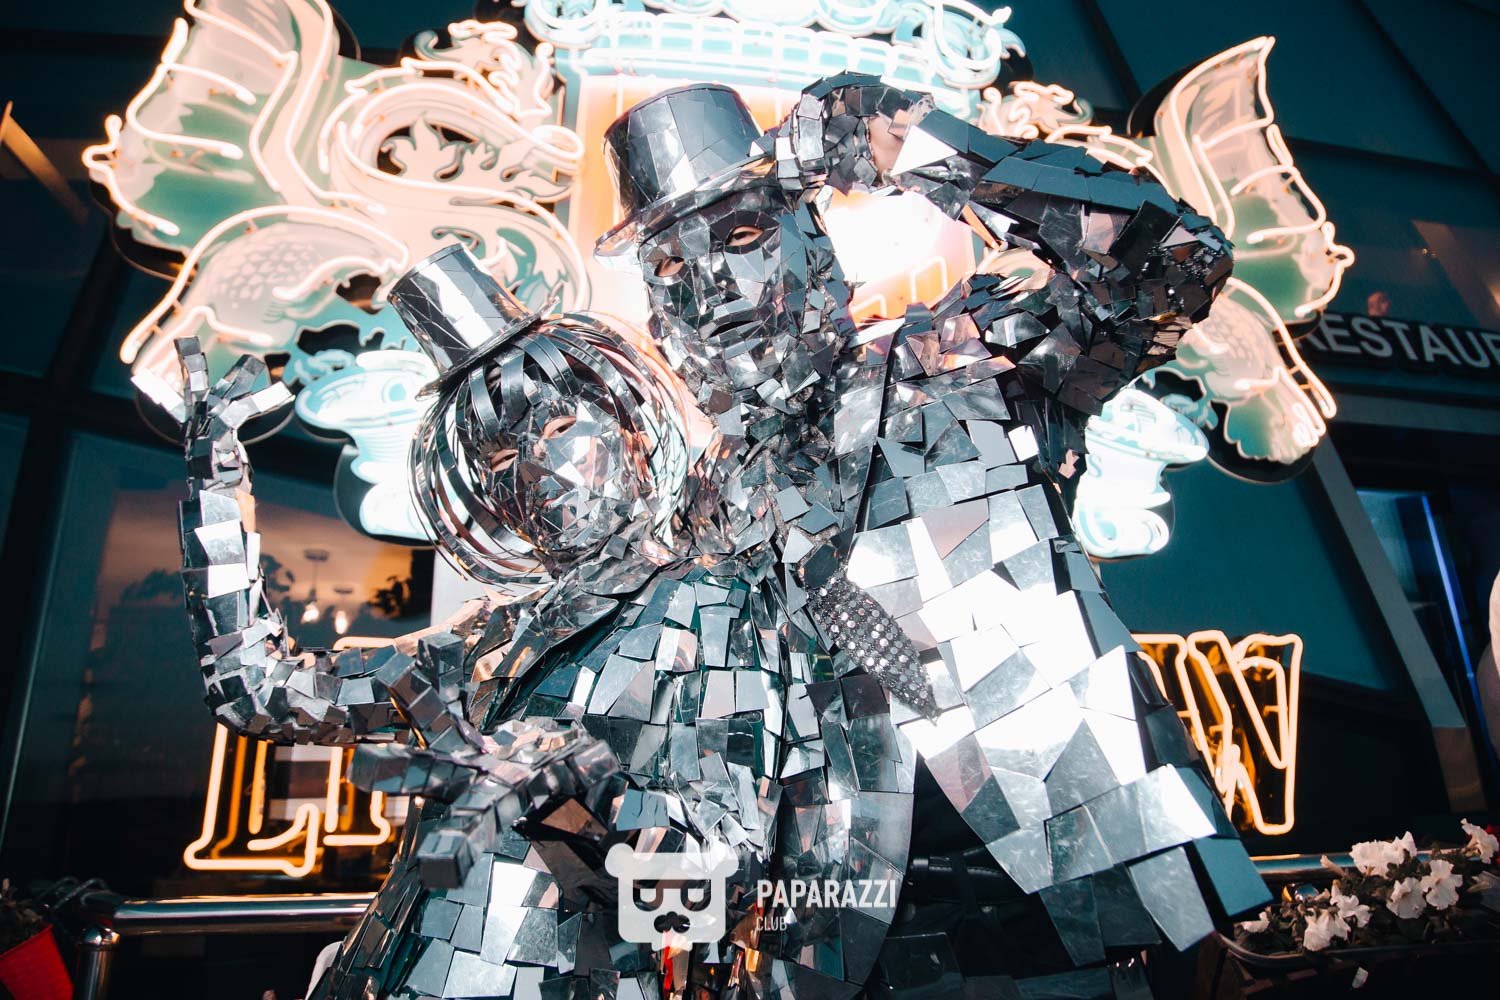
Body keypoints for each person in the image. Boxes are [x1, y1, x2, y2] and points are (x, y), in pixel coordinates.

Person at [168, 74, 1267, 1000]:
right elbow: (664, 814)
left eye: (741, 235)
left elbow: (1171, 261)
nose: (712, 286)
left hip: (1072, 909)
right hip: (835, 951)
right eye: (670, 271)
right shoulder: (696, 521)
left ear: (814, 237)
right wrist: (547, 806)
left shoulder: (960, 369)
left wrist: (912, 143)